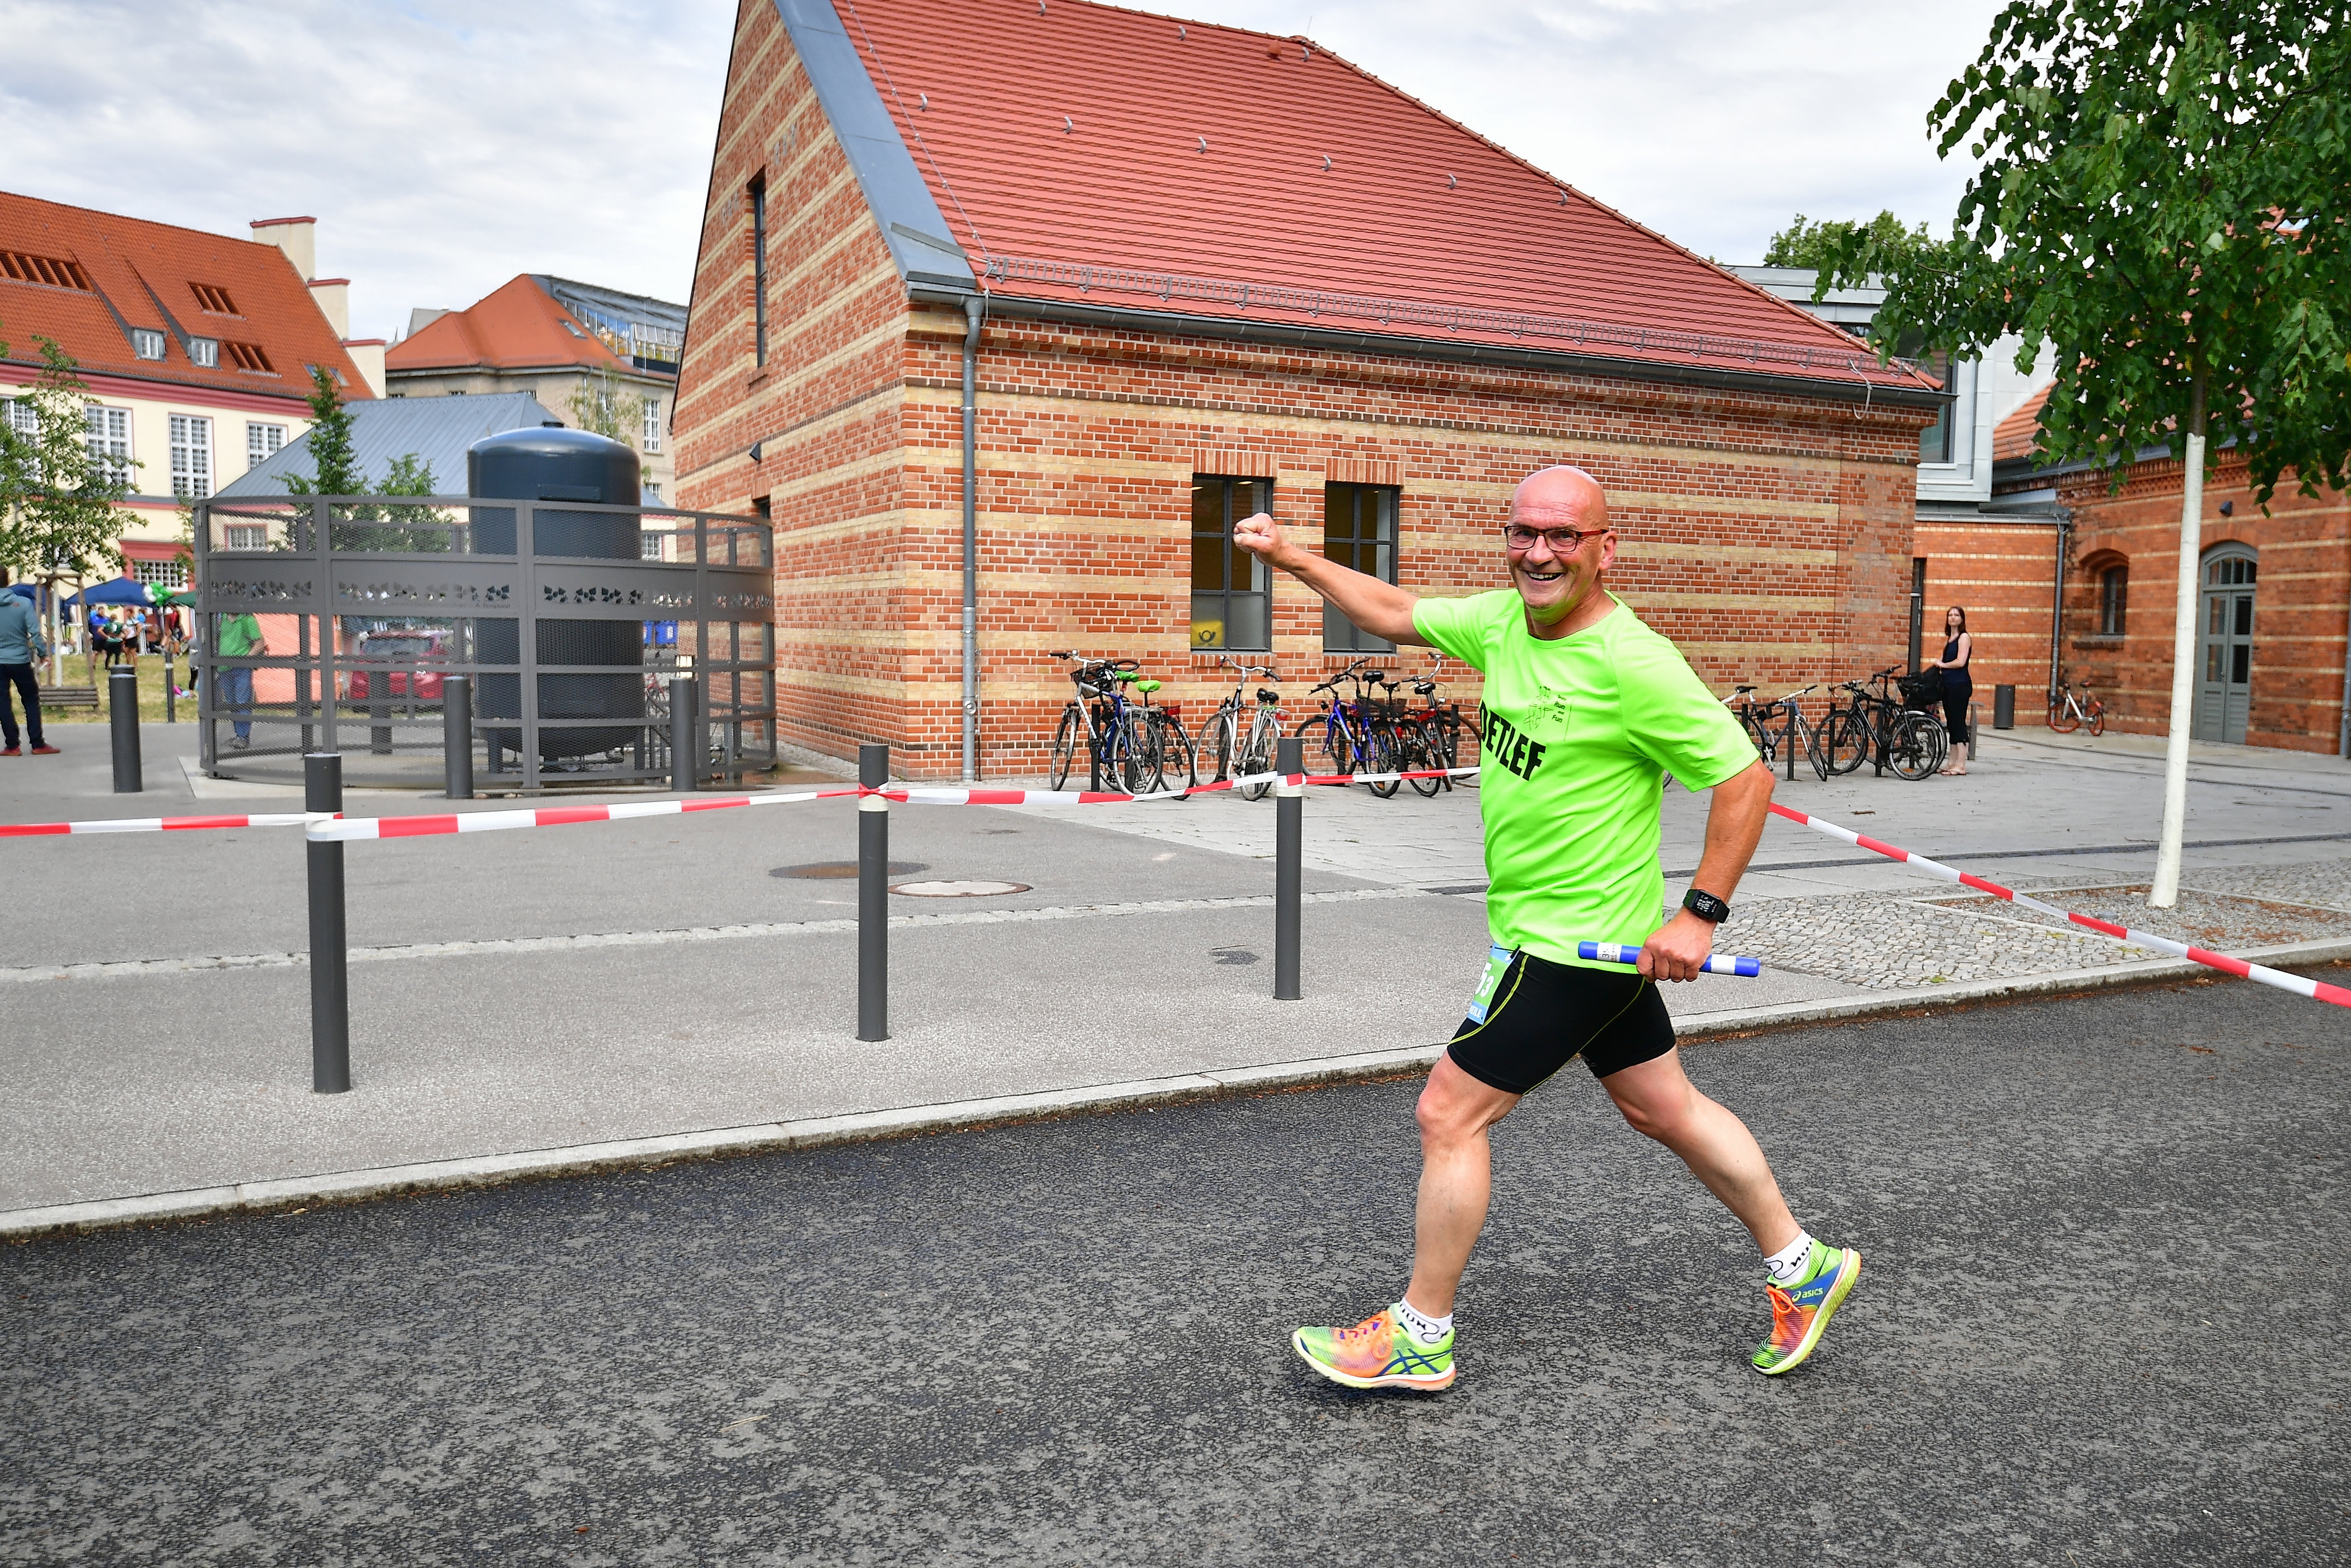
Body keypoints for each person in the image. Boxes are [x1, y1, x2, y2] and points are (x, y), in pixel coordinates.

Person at [1234, 465, 1861, 1392]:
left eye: (1565, 535)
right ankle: (1802, 1265)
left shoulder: (1632, 660)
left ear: (1606, 549)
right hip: (1578, 940)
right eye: (1526, 531)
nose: (1540, 551)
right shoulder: (1500, 622)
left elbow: (1746, 776)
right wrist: (1291, 556)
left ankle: (1420, 1333)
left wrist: (1699, 914)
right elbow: (1395, 611)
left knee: (1447, 1114)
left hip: (1573, 946)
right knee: (1663, 1107)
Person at [0, 570, 59, 756]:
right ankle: (37, 743)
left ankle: (12, 746)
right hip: (20, 660)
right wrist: (44, 654)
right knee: (31, 700)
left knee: (2, 703)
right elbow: (34, 632)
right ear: (8, 580)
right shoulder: (24, 604)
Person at [1924, 605, 1973, 776]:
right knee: (1951, 724)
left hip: (1960, 685)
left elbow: (1960, 662)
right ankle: (1951, 763)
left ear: (1962, 619)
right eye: (1950, 615)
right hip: (1949, 686)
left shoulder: (1964, 637)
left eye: (1956, 615)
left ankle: (1961, 765)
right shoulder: (1950, 638)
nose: (1953, 618)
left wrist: (1943, 665)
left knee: (1958, 723)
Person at [214, 608, 265, 749]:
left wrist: (245, 660)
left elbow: (260, 643)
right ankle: (239, 735)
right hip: (224, 668)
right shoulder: (219, 618)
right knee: (232, 702)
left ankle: (243, 736)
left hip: (241, 669)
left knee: (242, 701)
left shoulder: (248, 619)